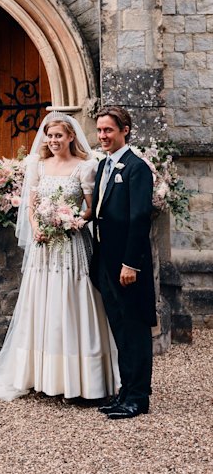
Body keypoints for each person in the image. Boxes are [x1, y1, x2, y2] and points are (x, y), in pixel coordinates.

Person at [0, 112, 118, 402]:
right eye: (50, 136)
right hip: (44, 247)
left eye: (59, 135)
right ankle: (42, 375)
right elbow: (31, 206)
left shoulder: (85, 166)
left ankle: (81, 379)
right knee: (43, 302)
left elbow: (91, 208)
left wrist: (71, 221)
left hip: (71, 244)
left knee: (72, 301)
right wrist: (38, 228)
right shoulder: (38, 164)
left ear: (71, 136)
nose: (53, 141)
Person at [91, 106, 156, 419]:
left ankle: (138, 398)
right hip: (106, 263)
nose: (102, 136)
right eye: (100, 130)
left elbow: (140, 217)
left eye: (108, 130)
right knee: (120, 330)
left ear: (125, 130)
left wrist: (131, 264)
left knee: (135, 330)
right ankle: (125, 392)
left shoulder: (136, 168)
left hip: (128, 266)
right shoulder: (104, 165)